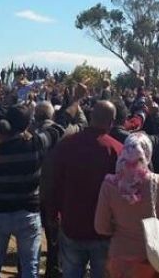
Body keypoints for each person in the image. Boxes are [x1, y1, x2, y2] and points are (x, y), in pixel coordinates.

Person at [0, 104, 58, 278]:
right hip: (27, 211)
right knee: (30, 267)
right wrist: (33, 129)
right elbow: (56, 131)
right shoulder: (35, 143)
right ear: (28, 123)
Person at [94, 132, 159, 278]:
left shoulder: (109, 184)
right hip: (150, 259)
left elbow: (101, 227)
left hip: (119, 258)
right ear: (148, 154)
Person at [50, 100, 122, 278]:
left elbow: (55, 183)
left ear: (91, 117)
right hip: (103, 231)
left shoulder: (67, 145)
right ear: (112, 122)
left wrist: (52, 215)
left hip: (72, 225)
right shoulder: (117, 150)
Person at [36, 101, 69, 278]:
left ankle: (28, 270)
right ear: (52, 116)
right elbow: (80, 125)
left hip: (33, 191)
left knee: (31, 235)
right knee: (53, 235)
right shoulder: (62, 133)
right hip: (54, 192)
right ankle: (53, 268)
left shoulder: (27, 132)